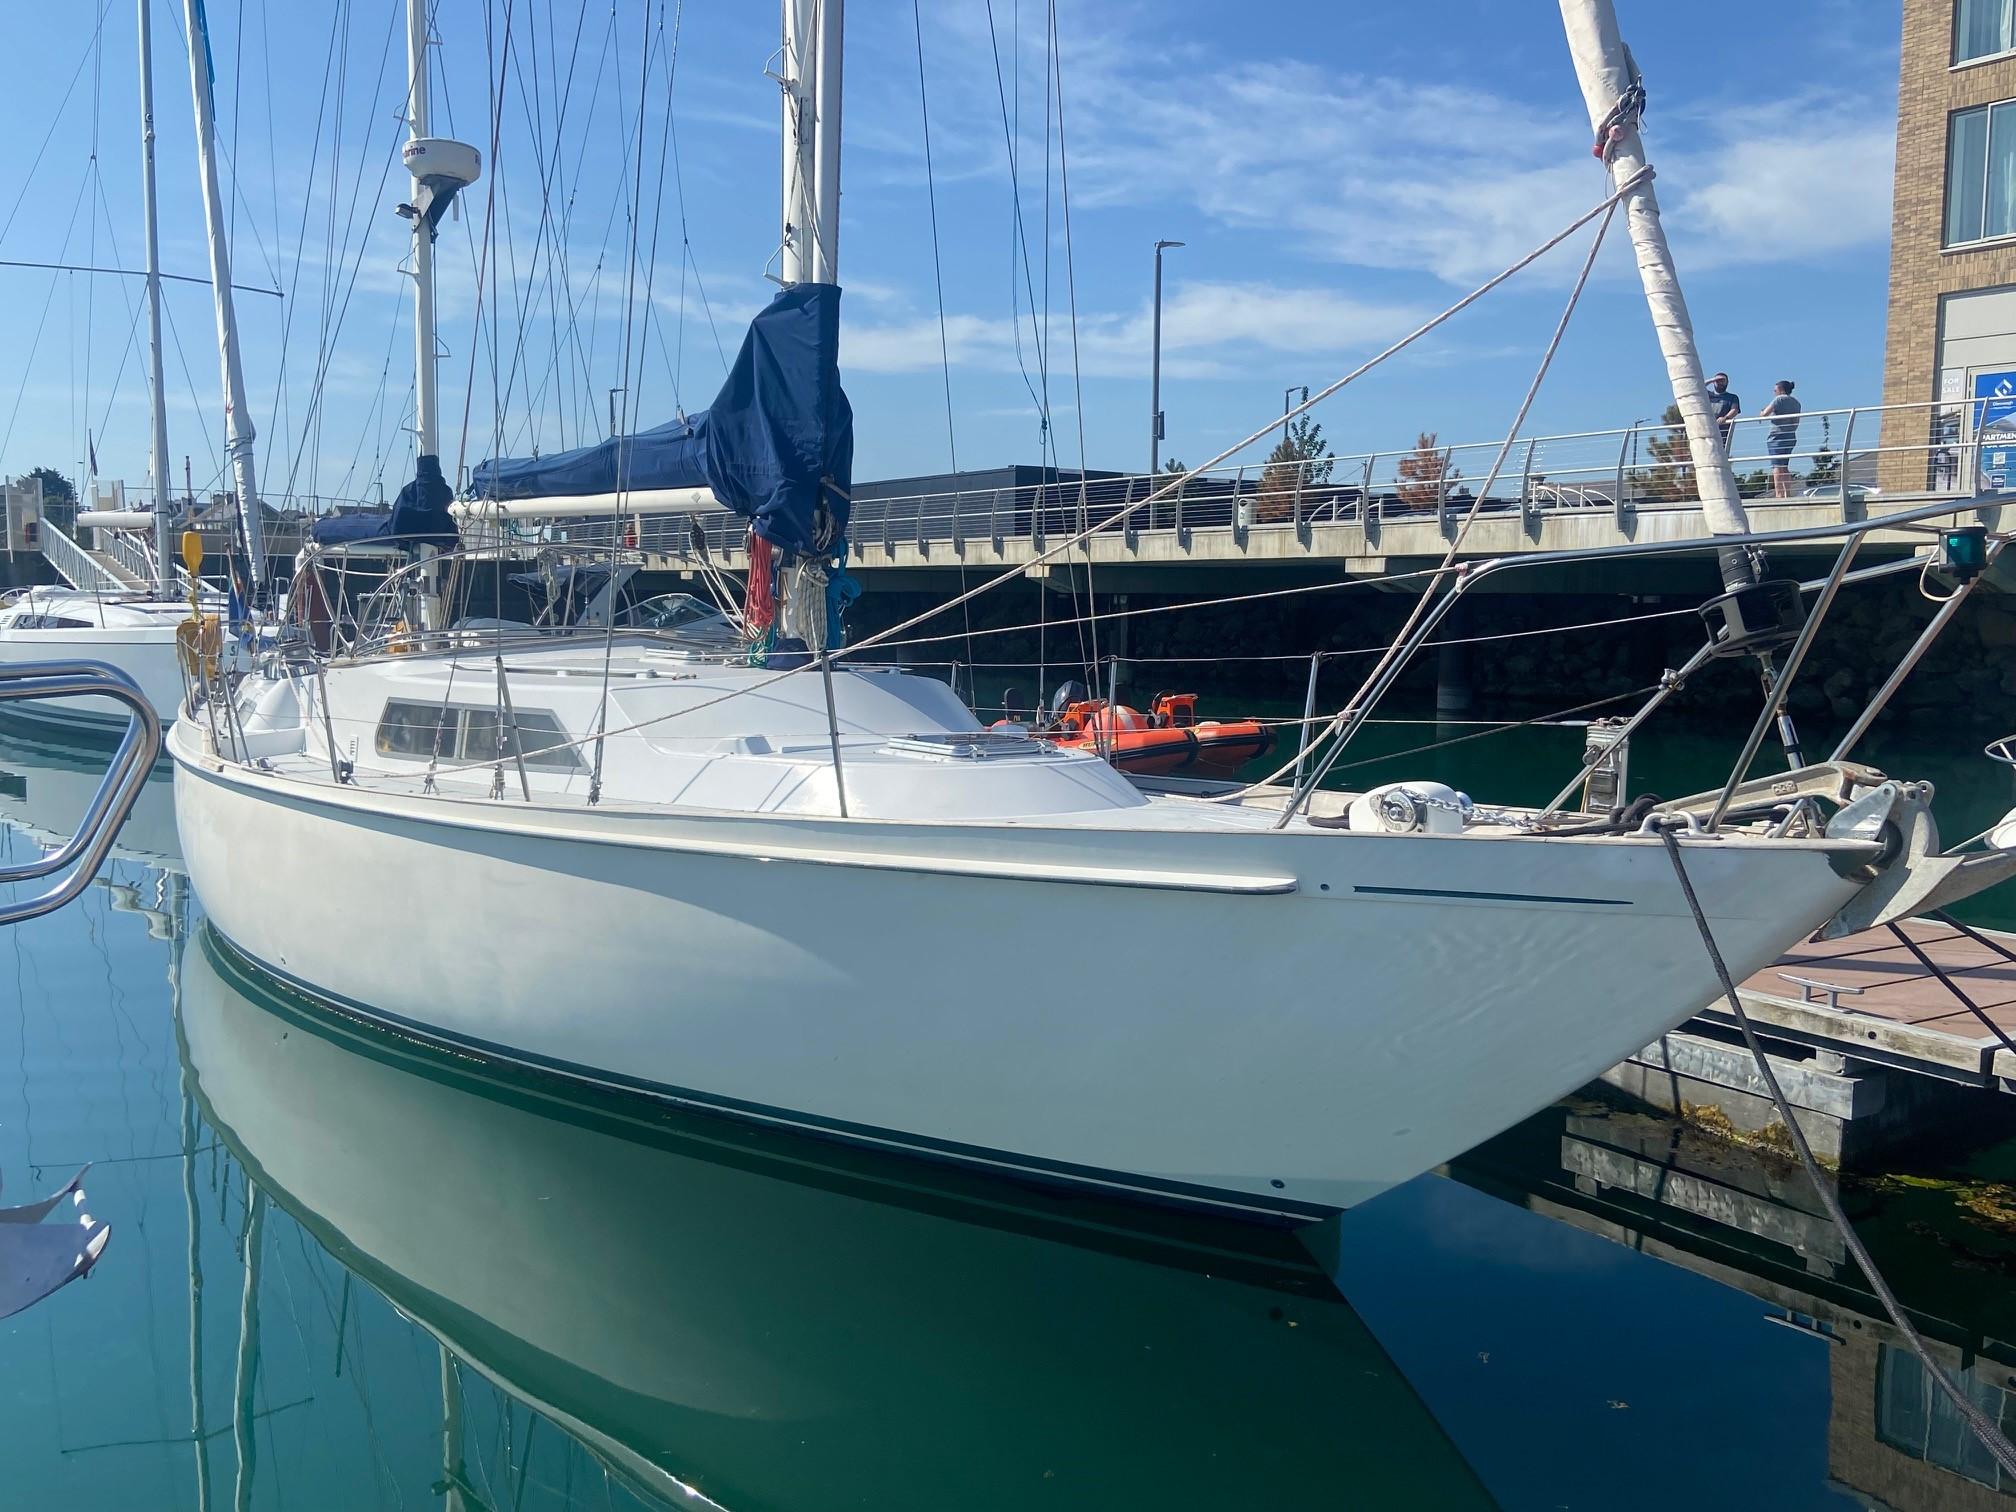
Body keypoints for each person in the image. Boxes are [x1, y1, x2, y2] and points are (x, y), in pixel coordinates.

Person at [1760, 380, 1801, 498]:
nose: (1774, 393)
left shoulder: (1779, 399)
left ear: (1781, 390)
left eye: (1775, 390)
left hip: (1776, 436)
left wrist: (1761, 412)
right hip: (1790, 435)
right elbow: (1796, 422)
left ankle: (1779, 494)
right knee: (1784, 466)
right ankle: (1787, 493)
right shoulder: (1796, 402)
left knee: (1776, 466)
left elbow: (1765, 413)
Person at [1706, 372, 1741, 452]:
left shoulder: (1732, 397)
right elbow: (1697, 387)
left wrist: (1725, 418)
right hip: (1707, 430)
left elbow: (1734, 410)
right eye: (1718, 380)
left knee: (1721, 452)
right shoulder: (1707, 395)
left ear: (1727, 383)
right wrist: (1712, 380)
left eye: (1723, 380)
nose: (1720, 382)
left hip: (1722, 432)